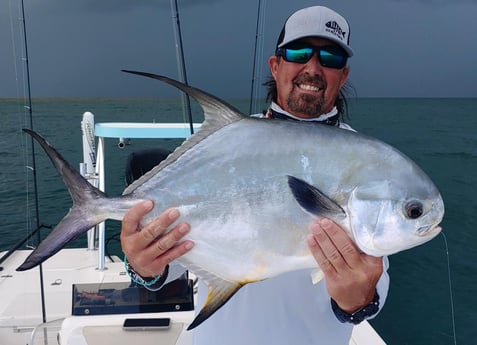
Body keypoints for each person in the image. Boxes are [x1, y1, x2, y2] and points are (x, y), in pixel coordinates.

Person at [121, 5, 389, 344]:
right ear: (276, 66)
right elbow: (168, 265)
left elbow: (375, 281)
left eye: (330, 58)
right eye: (299, 52)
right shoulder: (227, 143)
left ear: (344, 75)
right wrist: (143, 267)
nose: (313, 67)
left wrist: (359, 300)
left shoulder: (364, 161)